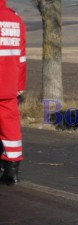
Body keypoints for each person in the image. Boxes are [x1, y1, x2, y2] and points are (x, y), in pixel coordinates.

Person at [0, 0, 26, 185]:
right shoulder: (15, 20)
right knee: (10, 128)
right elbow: (21, 57)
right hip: (8, 86)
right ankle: (12, 173)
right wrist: (19, 85)